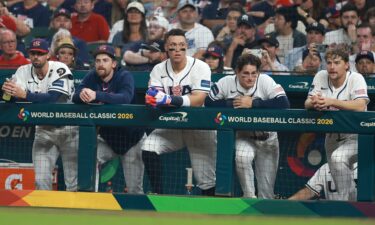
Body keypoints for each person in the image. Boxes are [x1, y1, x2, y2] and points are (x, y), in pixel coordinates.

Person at [143, 29, 217, 196]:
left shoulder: (201, 67)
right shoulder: (158, 69)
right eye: (173, 46)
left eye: (182, 46)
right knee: (148, 147)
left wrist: (169, 100)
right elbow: (154, 98)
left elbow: (198, 99)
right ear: (166, 48)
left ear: (186, 47)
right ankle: (158, 196)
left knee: (206, 180)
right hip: (172, 127)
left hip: (199, 127)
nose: (178, 50)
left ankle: (211, 216)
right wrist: (154, 100)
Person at [205, 53, 289, 198]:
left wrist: (254, 103)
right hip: (244, 137)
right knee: (242, 156)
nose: (250, 78)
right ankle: (249, 196)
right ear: (237, 72)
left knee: (266, 194)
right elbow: (209, 102)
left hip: (268, 139)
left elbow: (284, 103)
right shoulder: (226, 82)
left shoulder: (265, 81)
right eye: (245, 74)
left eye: (253, 73)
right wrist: (231, 103)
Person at [1, 38, 77, 191]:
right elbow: (10, 97)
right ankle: (45, 214)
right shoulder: (23, 70)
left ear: (48, 55)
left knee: (73, 182)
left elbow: (53, 98)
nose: (36, 57)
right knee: (41, 180)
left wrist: (24, 94)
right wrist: (8, 92)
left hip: (69, 129)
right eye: (33, 53)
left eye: (40, 53)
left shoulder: (60, 68)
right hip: (43, 130)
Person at [72, 44, 145, 194]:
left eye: (105, 60)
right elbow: (75, 96)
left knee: (134, 190)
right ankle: (91, 198)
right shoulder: (92, 76)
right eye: (98, 60)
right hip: (108, 139)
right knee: (89, 161)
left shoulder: (124, 76)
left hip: (132, 139)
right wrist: (83, 95)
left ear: (113, 64)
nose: (100, 64)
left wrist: (96, 95)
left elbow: (125, 97)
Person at [304, 47, 369, 201]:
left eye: (337, 63)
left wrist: (331, 101)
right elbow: (307, 103)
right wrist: (315, 103)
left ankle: (348, 207)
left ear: (346, 64)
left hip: (356, 136)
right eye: (329, 63)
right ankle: (351, 209)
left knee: (338, 158)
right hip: (332, 137)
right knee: (340, 184)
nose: (332, 66)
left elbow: (360, 105)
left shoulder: (356, 78)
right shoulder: (321, 76)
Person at [289, 163, 357, 201]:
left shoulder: (365, 168)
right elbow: (309, 191)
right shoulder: (326, 167)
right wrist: (287, 203)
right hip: (334, 216)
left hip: (359, 215)